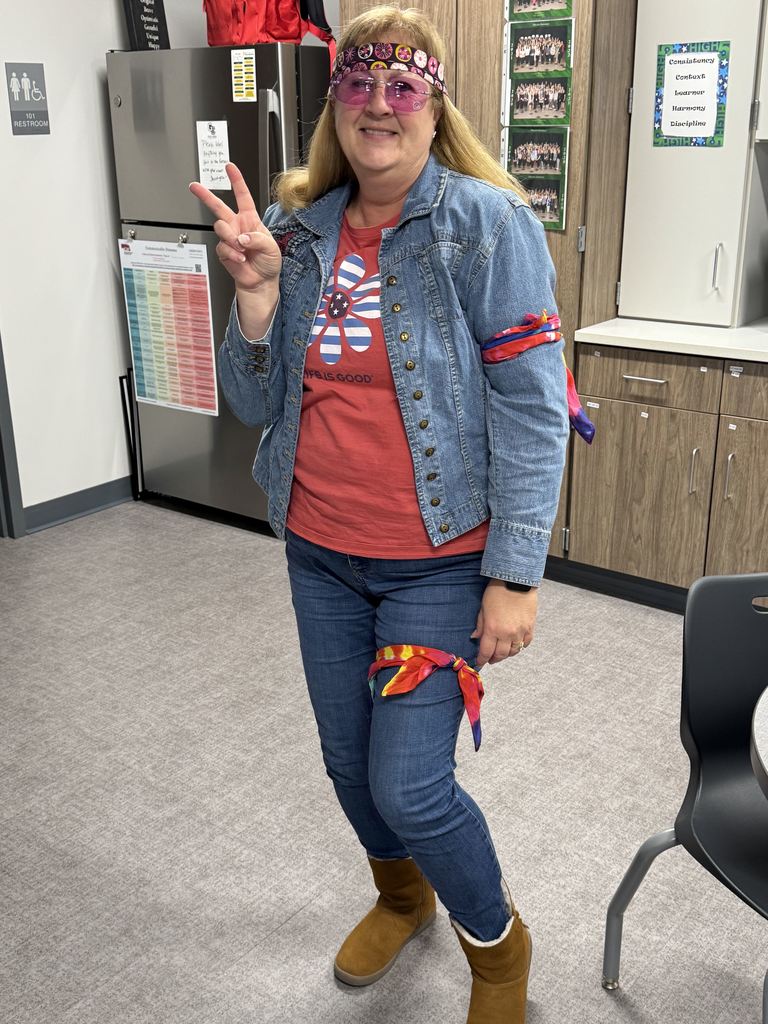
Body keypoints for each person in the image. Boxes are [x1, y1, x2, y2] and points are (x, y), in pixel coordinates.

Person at [190, 6, 591, 1022]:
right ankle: (402, 897)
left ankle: (497, 950)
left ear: (434, 105)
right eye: (359, 84)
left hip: (440, 563)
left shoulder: (485, 225)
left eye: (402, 86)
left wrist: (515, 575)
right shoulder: (298, 231)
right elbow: (252, 402)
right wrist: (254, 300)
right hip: (320, 552)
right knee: (347, 764)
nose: (380, 105)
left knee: (410, 784)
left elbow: (534, 407)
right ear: (336, 103)